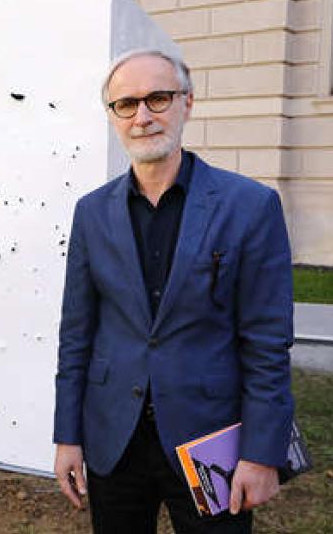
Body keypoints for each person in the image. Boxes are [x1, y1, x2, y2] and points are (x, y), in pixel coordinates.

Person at [52, 49, 294, 533]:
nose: (142, 116)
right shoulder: (91, 213)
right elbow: (77, 334)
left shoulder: (251, 206)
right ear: (113, 116)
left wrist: (262, 454)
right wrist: (68, 436)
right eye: (127, 104)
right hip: (113, 438)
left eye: (158, 98)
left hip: (211, 439)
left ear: (188, 103)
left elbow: (267, 343)